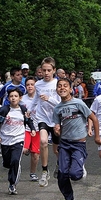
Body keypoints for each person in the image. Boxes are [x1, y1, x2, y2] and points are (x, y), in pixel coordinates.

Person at [54, 78, 101, 200]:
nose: (62, 88)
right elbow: (57, 126)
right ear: (56, 90)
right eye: (59, 86)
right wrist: (56, 130)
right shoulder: (57, 108)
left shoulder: (78, 103)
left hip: (78, 144)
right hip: (64, 144)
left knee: (75, 174)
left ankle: (80, 166)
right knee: (62, 175)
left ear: (70, 89)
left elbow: (94, 119)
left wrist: (97, 137)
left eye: (65, 86)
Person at [0, 88, 36, 195]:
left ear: (20, 98)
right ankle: (9, 164)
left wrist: (32, 129)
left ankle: (12, 184)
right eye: (11, 96)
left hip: (18, 139)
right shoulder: (4, 110)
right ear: (8, 98)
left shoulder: (23, 110)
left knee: (15, 161)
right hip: (5, 140)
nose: (13, 98)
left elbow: (29, 120)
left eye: (16, 96)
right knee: (8, 163)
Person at [29, 57, 61, 187]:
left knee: (56, 149)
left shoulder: (59, 84)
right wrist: (29, 110)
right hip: (42, 117)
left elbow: (61, 103)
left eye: (49, 70)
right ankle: (44, 170)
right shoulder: (38, 84)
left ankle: (59, 164)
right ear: (40, 71)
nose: (46, 73)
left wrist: (49, 99)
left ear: (54, 70)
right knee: (42, 141)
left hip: (55, 118)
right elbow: (36, 99)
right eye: (44, 70)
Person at [21, 76, 40, 181]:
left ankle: (33, 173)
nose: (30, 86)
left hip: (37, 129)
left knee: (35, 155)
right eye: (28, 85)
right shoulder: (22, 99)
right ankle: (26, 149)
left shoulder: (40, 98)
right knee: (24, 150)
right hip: (26, 128)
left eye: (32, 84)